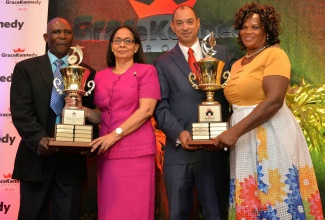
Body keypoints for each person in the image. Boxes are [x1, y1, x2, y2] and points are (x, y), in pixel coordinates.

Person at [212, 3, 324, 219]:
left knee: (277, 193)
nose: (248, 32)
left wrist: (234, 132)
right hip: (244, 140)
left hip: (271, 133)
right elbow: (238, 106)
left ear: (267, 30)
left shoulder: (275, 55)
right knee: (251, 197)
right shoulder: (237, 64)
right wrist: (220, 133)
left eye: (255, 27)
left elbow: (273, 101)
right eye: (244, 27)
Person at [10, 17, 98, 219]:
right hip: (36, 158)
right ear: (45, 37)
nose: (62, 37)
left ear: (72, 37)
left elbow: (91, 111)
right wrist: (39, 139)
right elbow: (21, 111)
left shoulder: (86, 73)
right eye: (56, 32)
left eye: (67, 32)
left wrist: (87, 142)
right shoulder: (26, 69)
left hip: (71, 162)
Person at [153, 5, 236, 220]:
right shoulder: (162, 62)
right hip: (180, 151)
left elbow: (235, 95)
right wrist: (179, 134)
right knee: (178, 214)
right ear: (172, 27)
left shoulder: (222, 53)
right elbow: (161, 107)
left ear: (198, 22)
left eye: (189, 21)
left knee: (216, 213)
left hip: (214, 151)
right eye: (179, 23)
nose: (185, 27)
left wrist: (229, 130)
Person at [78, 26, 161, 220]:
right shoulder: (100, 76)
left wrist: (114, 135)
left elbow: (146, 111)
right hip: (107, 153)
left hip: (136, 153)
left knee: (135, 210)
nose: (122, 44)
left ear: (136, 47)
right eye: (117, 40)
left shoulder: (147, 72)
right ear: (112, 47)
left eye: (128, 41)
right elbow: (103, 115)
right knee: (110, 210)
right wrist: (84, 111)